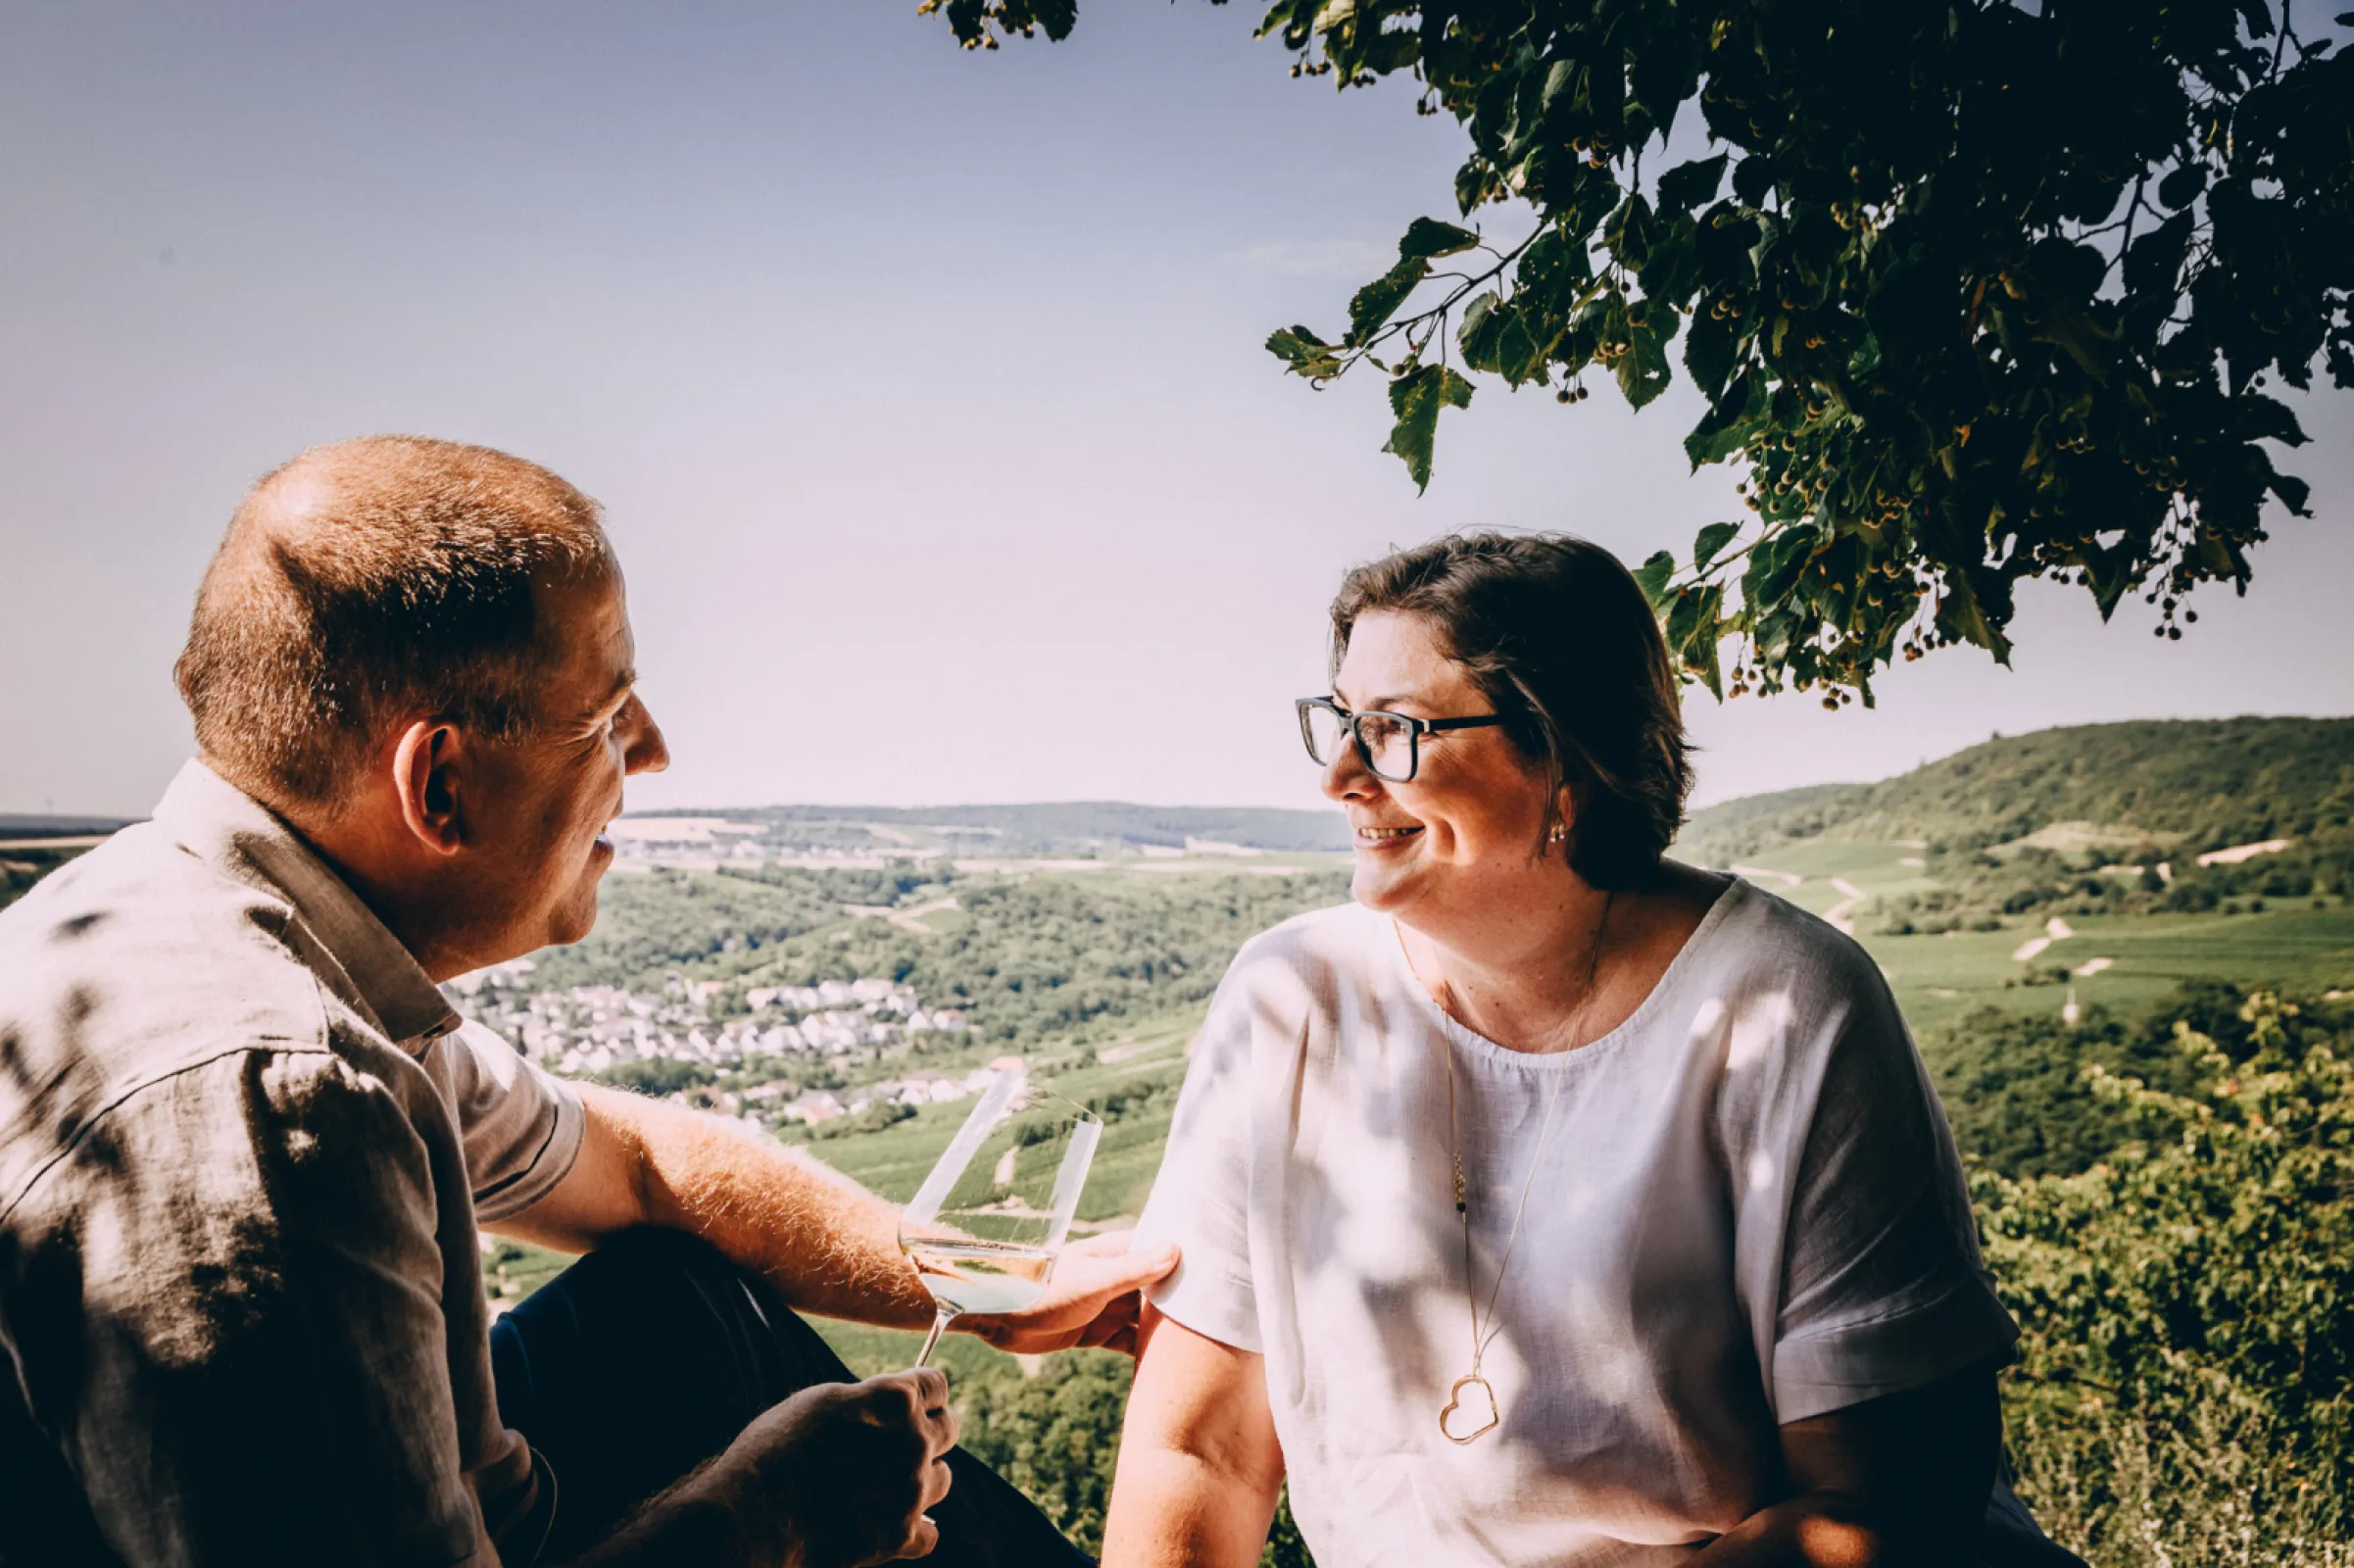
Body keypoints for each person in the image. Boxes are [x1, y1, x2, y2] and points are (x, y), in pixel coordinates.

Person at [0, 436, 1176, 1568]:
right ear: (439, 782)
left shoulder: (234, 931)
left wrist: (974, 1285)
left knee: (677, 1304)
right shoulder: (276, 1103)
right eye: (607, 715)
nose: (653, 749)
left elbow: (641, 1167)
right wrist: (771, 1513)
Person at [1104, 533, 2084, 1566]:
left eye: (1394, 731)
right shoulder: (1286, 1003)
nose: (1340, 777)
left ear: (1568, 760)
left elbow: (1886, 1502)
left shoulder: (1785, 1009)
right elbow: (1201, 1449)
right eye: (1342, 721)